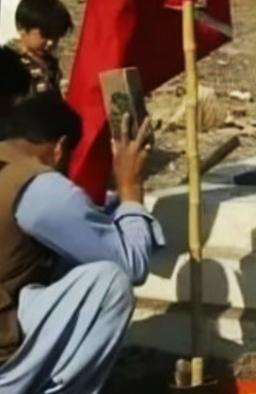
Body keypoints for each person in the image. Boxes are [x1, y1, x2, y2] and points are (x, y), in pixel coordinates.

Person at [0, 94, 163, 394]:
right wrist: (130, 187)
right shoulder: (37, 186)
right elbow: (131, 264)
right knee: (109, 282)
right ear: (60, 147)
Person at [5, 0, 73, 97]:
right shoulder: (8, 62)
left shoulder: (50, 63)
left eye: (56, 37)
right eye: (46, 35)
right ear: (22, 28)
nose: (51, 43)